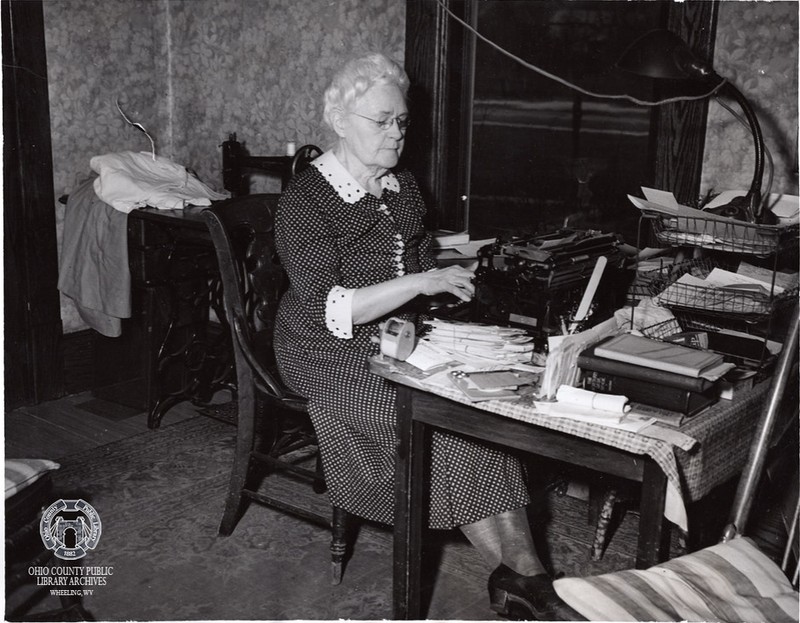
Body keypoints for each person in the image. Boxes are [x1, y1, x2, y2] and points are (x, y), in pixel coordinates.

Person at [274, 52, 576, 621]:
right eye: (381, 121)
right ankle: (530, 584)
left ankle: (524, 580)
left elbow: (417, 270)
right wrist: (421, 280)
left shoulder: (402, 188)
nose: (396, 133)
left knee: (476, 404)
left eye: (402, 122)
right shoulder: (305, 201)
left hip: (393, 336)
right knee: (434, 422)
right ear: (340, 121)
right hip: (319, 346)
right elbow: (328, 307)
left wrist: (449, 310)